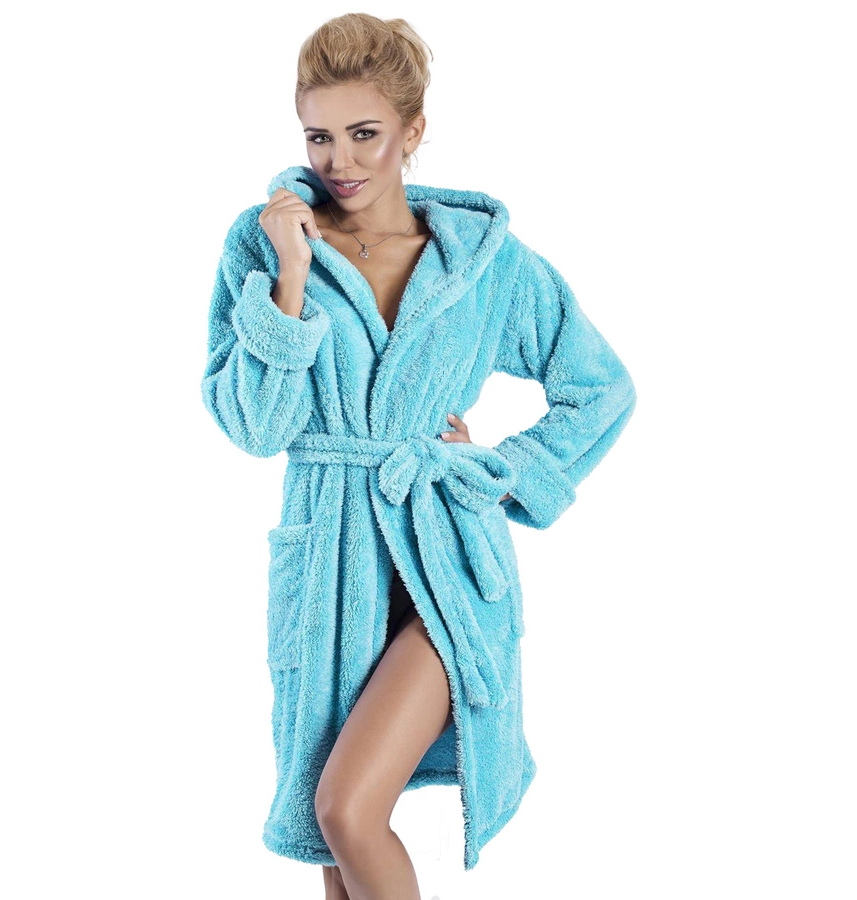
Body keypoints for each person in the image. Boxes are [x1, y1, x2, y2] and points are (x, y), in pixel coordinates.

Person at [201, 12, 637, 899]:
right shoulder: (268, 243)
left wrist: (500, 472)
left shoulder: (483, 265)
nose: (340, 161)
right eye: (319, 136)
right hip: (330, 566)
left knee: (346, 809)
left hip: (445, 562)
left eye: (364, 134)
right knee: (331, 842)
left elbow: (601, 389)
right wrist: (290, 277)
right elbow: (255, 427)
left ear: (413, 130)